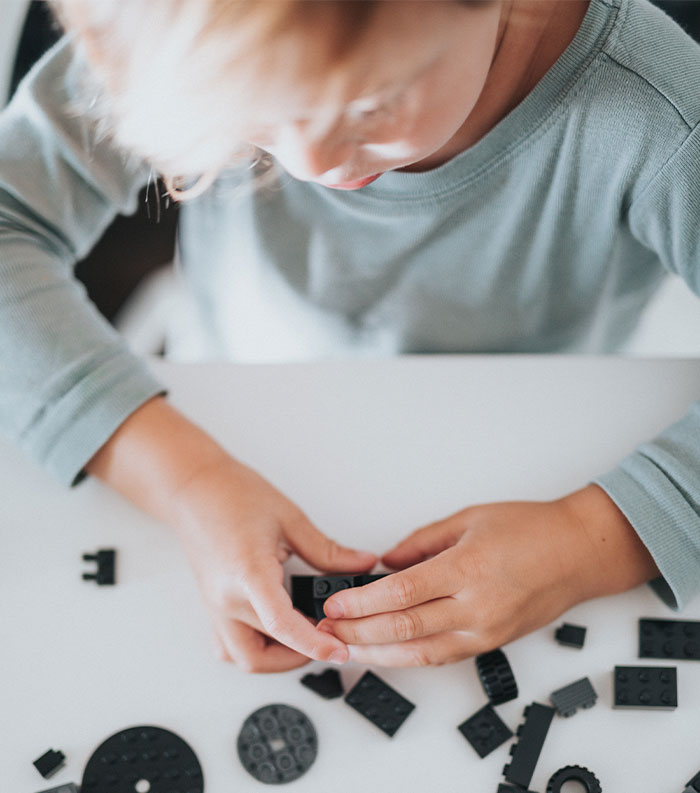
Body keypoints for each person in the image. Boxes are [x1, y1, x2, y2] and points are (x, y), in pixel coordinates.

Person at [1, 0, 698, 673]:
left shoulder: (661, 114)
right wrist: (184, 479)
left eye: (372, 105)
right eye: (253, 120)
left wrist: (591, 541)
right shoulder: (184, 27)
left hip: (528, 442)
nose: (312, 164)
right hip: (235, 405)